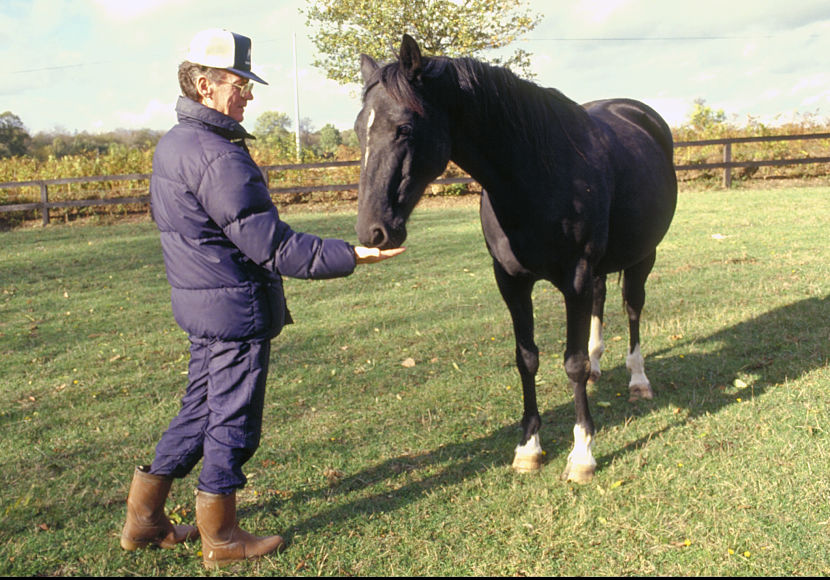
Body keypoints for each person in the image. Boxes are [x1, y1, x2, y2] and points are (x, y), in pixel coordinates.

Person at [119, 28, 403, 569]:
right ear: (205, 85)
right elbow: (272, 246)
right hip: (233, 314)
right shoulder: (218, 157)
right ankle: (222, 540)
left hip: (202, 308)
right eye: (239, 83)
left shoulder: (176, 142)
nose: (248, 93)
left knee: (196, 412)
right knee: (231, 422)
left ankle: (144, 520)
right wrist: (351, 255)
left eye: (248, 83)